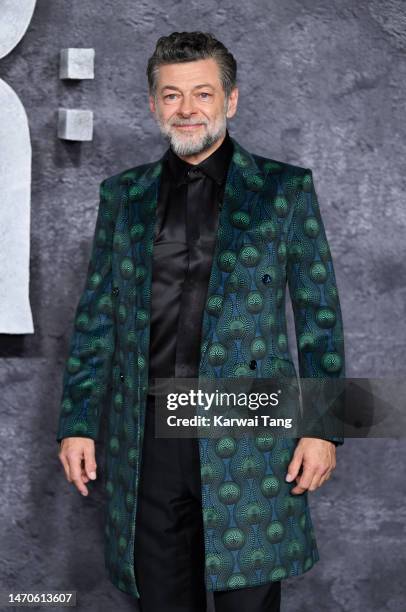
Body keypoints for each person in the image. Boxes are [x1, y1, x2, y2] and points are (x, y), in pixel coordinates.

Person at [57, 31, 345, 612]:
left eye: (202, 94)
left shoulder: (284, 192)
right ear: (152, 104)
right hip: (146, 433)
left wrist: (323, 427)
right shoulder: (123, 196)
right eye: (171, 95)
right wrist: (78, 422)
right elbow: (97, 317)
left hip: (252, 432)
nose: (187, 109)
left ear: (230, 101)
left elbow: (319, 315)